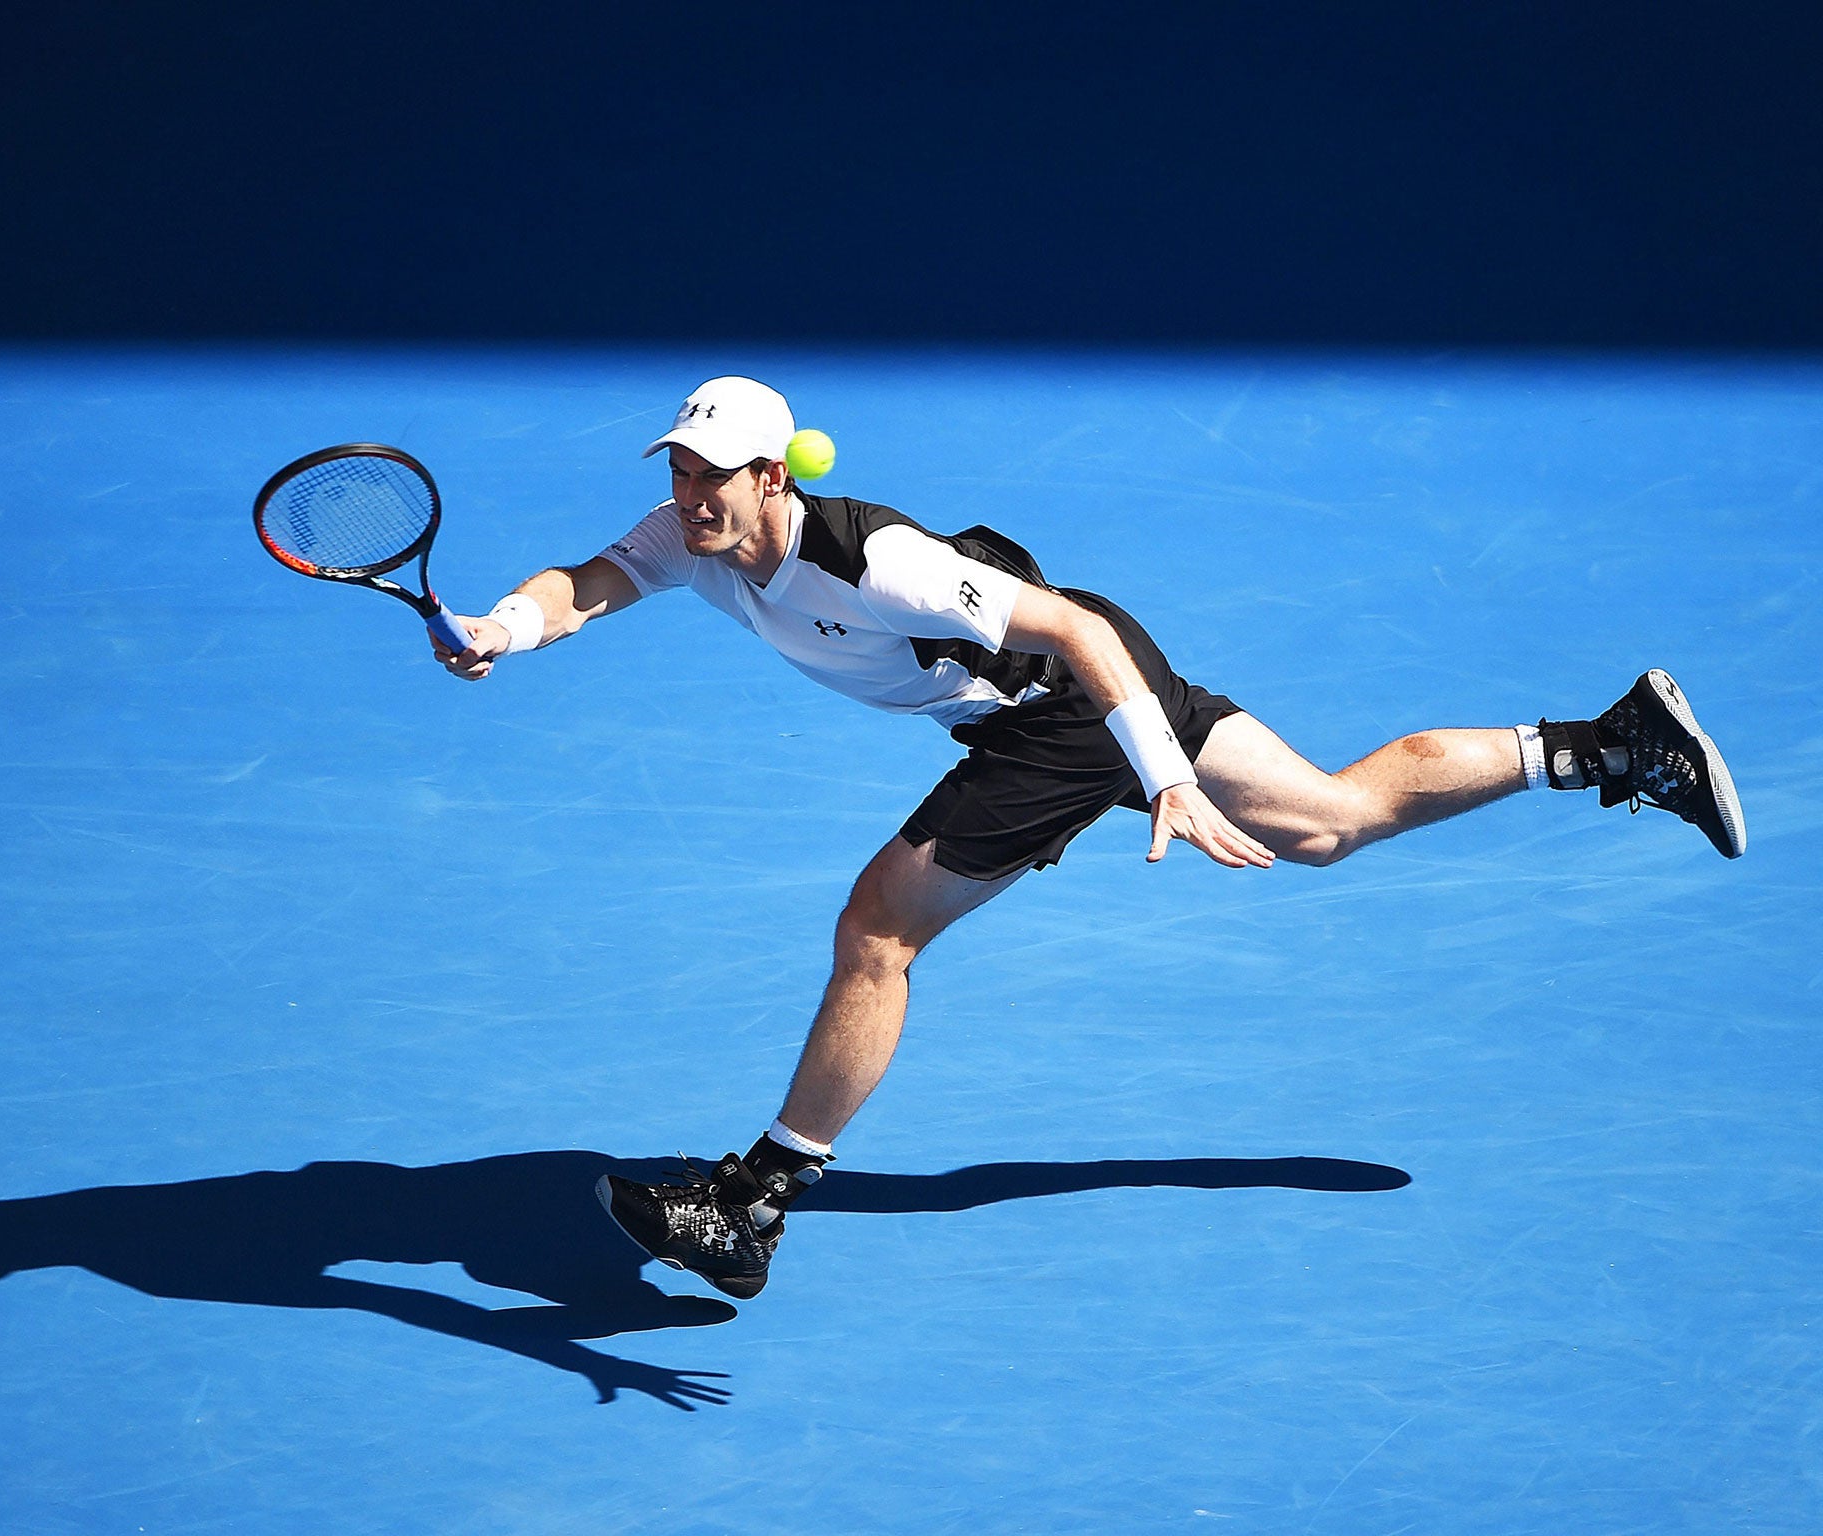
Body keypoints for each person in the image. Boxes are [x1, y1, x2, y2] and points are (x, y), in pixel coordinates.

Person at [433, 376, 1746, 1301]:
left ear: (773, 476)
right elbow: (590, 583)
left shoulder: (866, 558)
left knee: (876, 930)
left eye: (709, 476)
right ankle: (1612, 741)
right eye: (677, 468)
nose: (687, 495)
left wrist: (1159, 774)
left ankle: (754, 1203)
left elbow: (1076, 636)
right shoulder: (688, 538)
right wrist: (500, 626)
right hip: (1093, 686)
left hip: (1069, 703)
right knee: (1332, 824)